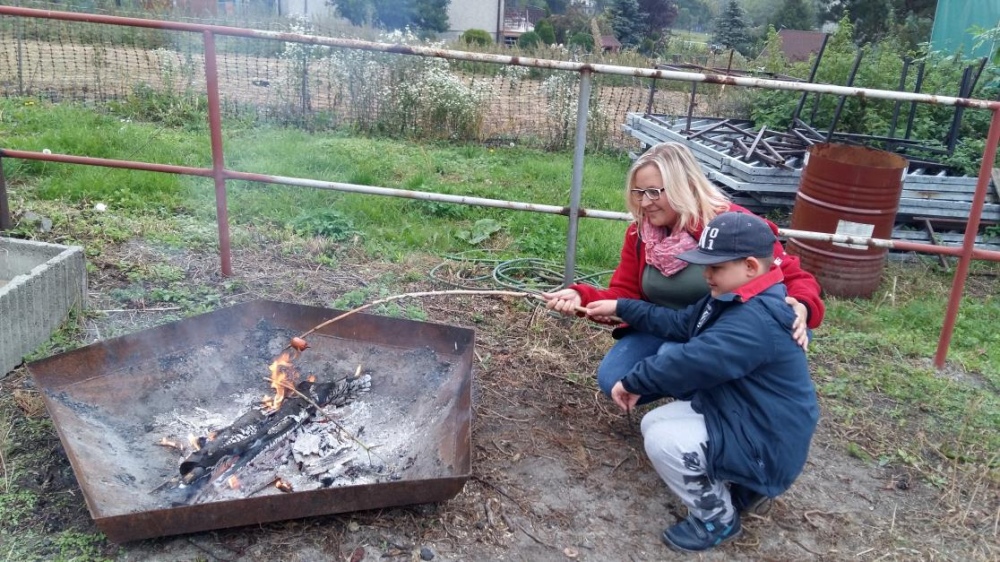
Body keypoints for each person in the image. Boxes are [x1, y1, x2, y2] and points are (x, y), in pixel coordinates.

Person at [585, 211, 819, 553]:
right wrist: (622, 306)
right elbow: (680, 324)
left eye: (715, 267)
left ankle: (718, 518)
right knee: (654, 422)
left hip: (768, 442)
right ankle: (744, 487)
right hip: (748, 416)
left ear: (751, 266)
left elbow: (693, 360)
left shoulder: (755, 319)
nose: (706, 274)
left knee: (666, 441)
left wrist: (634, 381)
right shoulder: (731, 298)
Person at [543, 142, 824, 403]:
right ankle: (690, 383)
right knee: (614, 377)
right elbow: (624, 294)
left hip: (724, 333)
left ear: (684, 186)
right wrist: (581, 297)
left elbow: (795, 278)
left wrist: (802, 305)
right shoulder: (640, 234)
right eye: (638, 193)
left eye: (654, 192)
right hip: (664, 325)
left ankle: (719, 401)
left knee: (676, 357)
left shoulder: (730, 227)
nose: (644, 203)